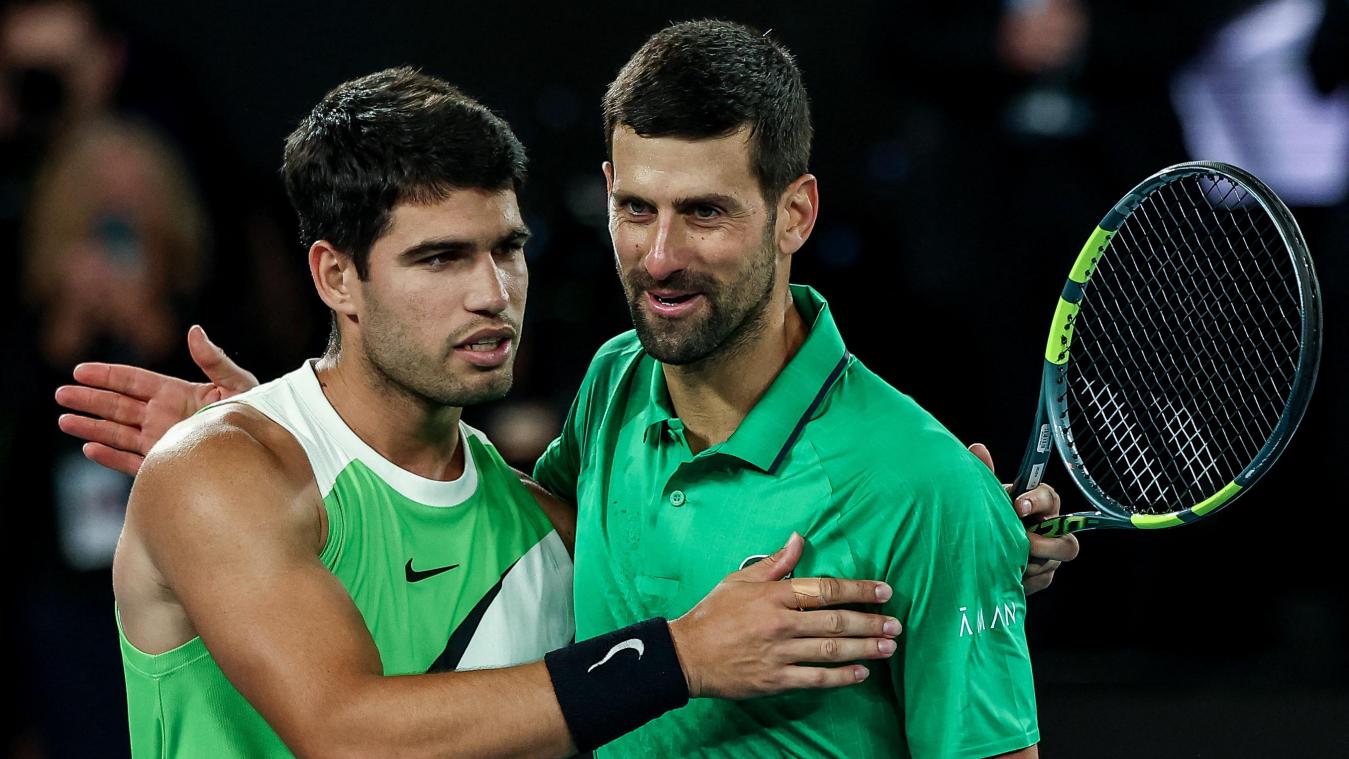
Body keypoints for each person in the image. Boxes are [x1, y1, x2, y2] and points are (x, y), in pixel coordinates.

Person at [59, 25, 1075, 758]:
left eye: (506, 249)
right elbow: (346, 729)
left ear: (794, 214)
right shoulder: (609, 393)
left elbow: (658, 554)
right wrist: (269, 432)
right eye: (439, 258)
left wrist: (960, 539)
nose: (491, 294)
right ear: (335, 277)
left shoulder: (555, 487)